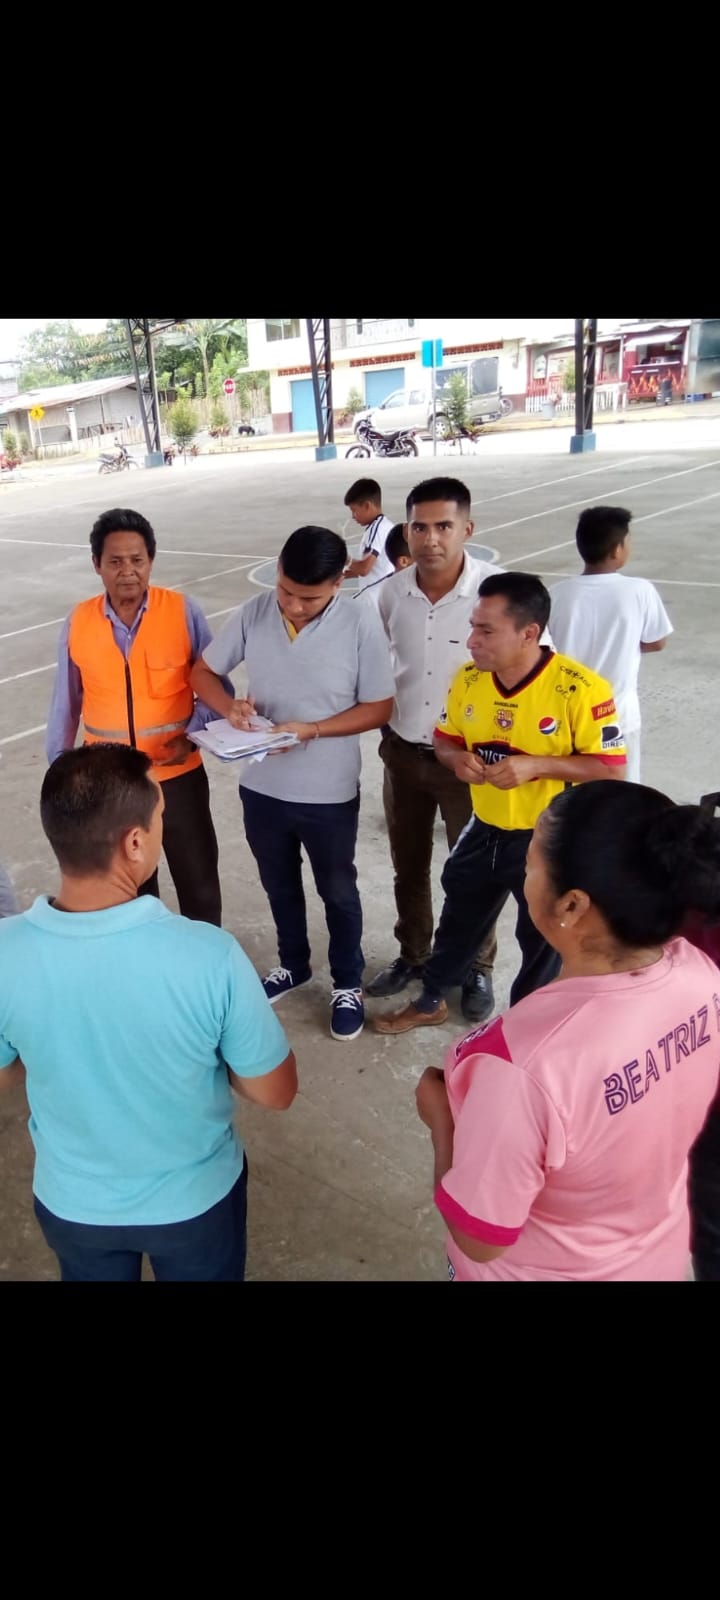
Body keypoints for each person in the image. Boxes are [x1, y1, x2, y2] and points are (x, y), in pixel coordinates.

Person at [0, 745, 297, 1283]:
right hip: (193, 1205)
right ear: (134, 843)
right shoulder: (209, 955)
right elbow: (275, 1091)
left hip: (73, 1205)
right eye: (161, 815)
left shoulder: (5, 952)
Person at [415, 780, 720, 1282]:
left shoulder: (525, 1066)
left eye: (531, 863)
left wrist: (440, 1121)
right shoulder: (700, 975)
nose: (525, 873)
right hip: (655, 1261)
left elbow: (479, 1238)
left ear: (572, 906)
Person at [375, 572, 627, 1035]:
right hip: (484, 826)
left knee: (542, 941)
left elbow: (611, 769)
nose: (471, 640)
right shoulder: (469, 680)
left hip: (546, 840)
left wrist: (537, 766)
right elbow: (445, 739)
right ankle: (431, 1000)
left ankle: (527, 1030)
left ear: (529, 633)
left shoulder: (581, 689)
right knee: (458, 919)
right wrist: (456, 760)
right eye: (473, 626)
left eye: (486, 630)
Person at [190, 526, 395, 1042]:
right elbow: (202, 673)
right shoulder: (255, 612)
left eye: (310, 598)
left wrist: (314, 730)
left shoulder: (359, 622)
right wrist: (230, 707)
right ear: (277, 570)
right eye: (286, 591)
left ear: (338, 583)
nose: (294, 606)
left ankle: (346, 982)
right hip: (261, 783)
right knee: (278, 883)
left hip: (328, 791)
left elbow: (378, 707)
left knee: (338, 890)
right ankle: (293, 964)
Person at [46, 507, 227, 926]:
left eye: (137, 560)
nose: (127, 571)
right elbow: (64, 703)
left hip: (178, 776)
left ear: (151, 561)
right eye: (115, 561)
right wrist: (60, 771)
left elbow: (217, 686)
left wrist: (193, 736)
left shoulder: (182, 611)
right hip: (109, 787)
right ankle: (142, 962)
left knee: (199, 884)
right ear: (97, 564)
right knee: (128, 893)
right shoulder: (78, 621)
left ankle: (202, 958)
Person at [366, 477, 504, 1024]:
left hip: (469, 764)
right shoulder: (388, 594)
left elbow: (534, 669)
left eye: (444, 526)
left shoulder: (495, 595)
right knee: (408, 865)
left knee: (475, 872)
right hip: (403, 753)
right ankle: (414, 954)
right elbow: (370, 664)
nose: (431, 539)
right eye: (419, 527)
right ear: (406, 531)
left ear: (467, 528)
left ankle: (477, 966)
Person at [549, 506, 672, 782]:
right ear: (617, 549)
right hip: (619, 717)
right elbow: (657, 641)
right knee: (622, 792)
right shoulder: (640, 590)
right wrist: (625, 644)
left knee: (571, 793)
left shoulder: (557, 594)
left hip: (566, 716)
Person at [342, 478, 396, 593]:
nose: (353, 516)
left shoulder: (376, 530)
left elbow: (364, 569)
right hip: (384, 593)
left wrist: (342, 557)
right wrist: (346, 574)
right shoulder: (386, 526)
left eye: (354, 510)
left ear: (367, 506)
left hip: (374, 597)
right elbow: (377, 568)